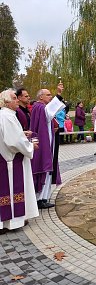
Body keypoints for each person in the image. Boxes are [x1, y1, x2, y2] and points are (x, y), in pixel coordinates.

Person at [0, 89, 39, 232]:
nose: (17, 100)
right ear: (6, 102)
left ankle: (5, 221)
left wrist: (21, 133)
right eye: (14, 98)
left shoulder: (5, 115)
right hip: (10, 161)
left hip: (5, 159)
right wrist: (30, 146)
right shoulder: (8, 116)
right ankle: (12, 222)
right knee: (10, 190)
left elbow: (8, 135)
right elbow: (13, 141)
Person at [30, 83, 66, 209]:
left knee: (47, 170)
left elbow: (50, 114)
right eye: (48, 95)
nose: (50, 97)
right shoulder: (39, 107)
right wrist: (58, 94)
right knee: (43, 168)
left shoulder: (41, 107)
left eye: (51, 95)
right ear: (41, 97)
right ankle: (40, 199)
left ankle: (43, 198)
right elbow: (50, 112)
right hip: (42, 143)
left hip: (48, 142)